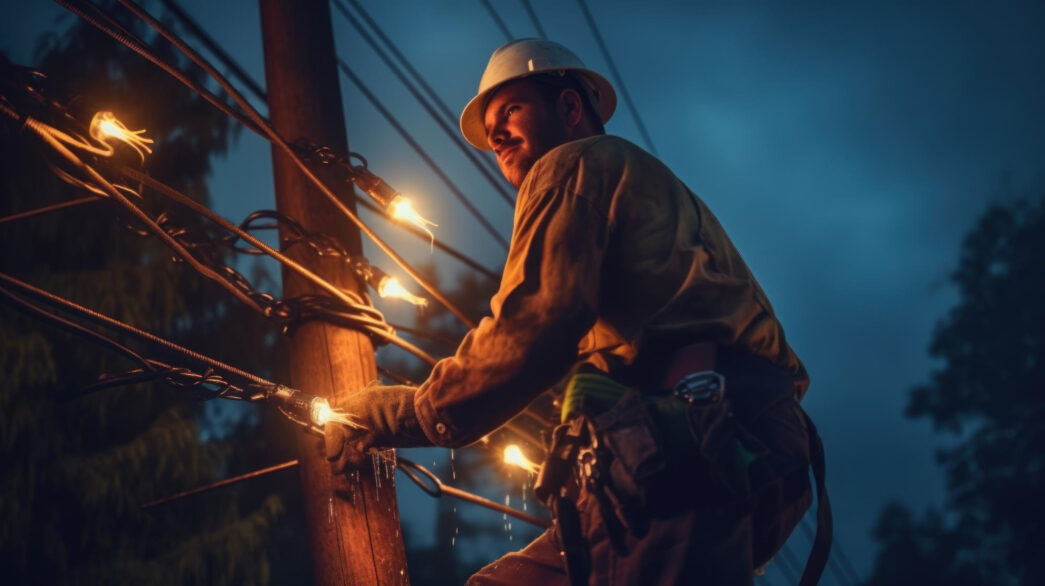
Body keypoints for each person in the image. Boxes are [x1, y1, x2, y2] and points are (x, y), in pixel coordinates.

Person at [324, 39, 828, 585]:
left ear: (569, 107)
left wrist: (407, 413)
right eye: (491, 129)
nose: (496, 136)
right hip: (736, 450)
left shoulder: (573, 164)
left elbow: (534, 328)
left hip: (689, 446)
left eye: (511, 110)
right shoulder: (644, 184)